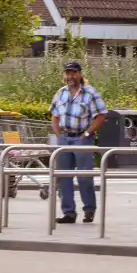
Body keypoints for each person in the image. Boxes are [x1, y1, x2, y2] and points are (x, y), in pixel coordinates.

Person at [50, 61, 107, 224]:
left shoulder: (90, 93)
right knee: (63, 177)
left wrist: (88, 133)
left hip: (82, 137)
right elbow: (54, 115)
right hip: (65, 138)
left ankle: (89, 209)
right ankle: (69, 213)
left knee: (84, 177)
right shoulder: (60, 93)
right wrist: (59, 134)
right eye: (67, 73)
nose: (70, 76)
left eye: (73, 73)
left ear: (80, 74)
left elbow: (101, 115)